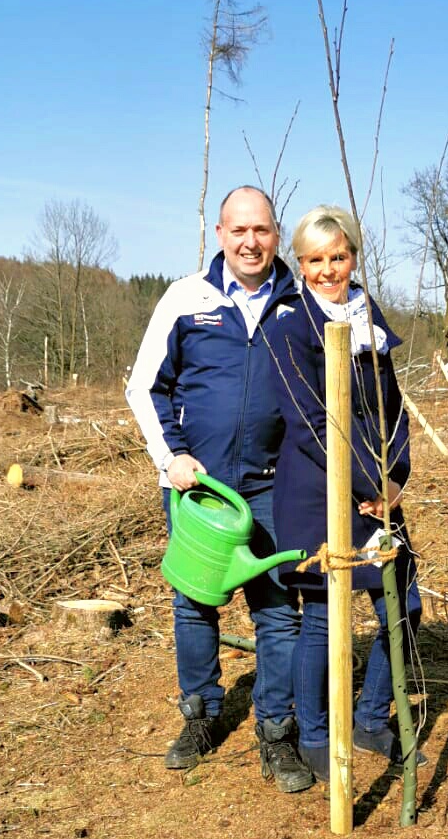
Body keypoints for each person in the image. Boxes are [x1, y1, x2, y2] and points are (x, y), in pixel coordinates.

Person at [125, 186, 314, 793]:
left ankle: (276, 731)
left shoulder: (301, 304)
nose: (250, 242)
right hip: (200, 492)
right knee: (194, 603)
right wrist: (171, 457)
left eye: (261, 230)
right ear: (220, 235)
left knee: (278, 613)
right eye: (239, 230)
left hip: (273, 490)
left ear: (276, 234)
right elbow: (144, 386)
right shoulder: (187, 299)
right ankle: (201, 715)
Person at [262, 203, 422, 783]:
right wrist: (366, 483)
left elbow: (393, 407)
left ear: (354, 256)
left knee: (403, 605)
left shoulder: (368, 318)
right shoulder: (288, 328)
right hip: (317, 489)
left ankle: (370, 718)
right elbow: (310, 423)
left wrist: (395, 478)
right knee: (323, 618)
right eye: (315, 260)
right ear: (300, 264)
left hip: (378, 489)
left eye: (339, 256)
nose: (328, 270)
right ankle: (313, 735)